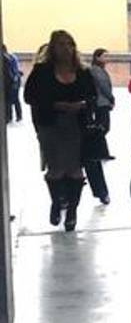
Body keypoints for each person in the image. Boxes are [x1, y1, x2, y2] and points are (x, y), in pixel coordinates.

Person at [23, 30, 97, 232]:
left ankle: (72, 211)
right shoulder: (42, 72)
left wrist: (82, 105)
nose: (66, 48)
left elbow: (93, 97)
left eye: (69, 44)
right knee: (56, 168)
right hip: (50, 125)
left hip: (77, 125)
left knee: (75, 169)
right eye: (61, 44)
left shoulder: (83, 72)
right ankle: (56, 203)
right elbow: (30, 96)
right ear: (52, 48)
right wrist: (55, 105)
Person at [83, 47, 115, 205]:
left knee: (91, 161)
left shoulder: (87, 72)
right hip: (72, 124)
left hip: (84, 119)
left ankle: (101, 192)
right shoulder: (94, 71)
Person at [3, 44, 22, 123]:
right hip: (14, 80)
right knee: (13, 99)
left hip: (12, 81)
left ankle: (10, 117)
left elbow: (10, 71)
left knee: (10, 100)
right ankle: (17, 116)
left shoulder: (6, 58)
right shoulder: (11, 57)